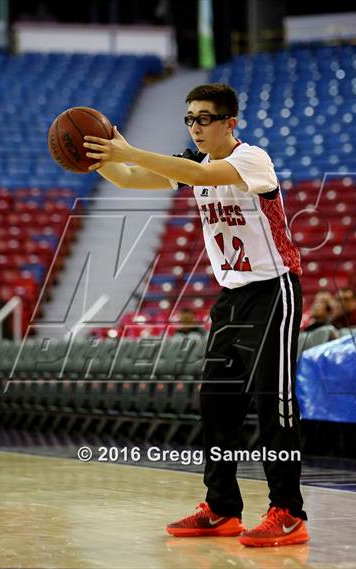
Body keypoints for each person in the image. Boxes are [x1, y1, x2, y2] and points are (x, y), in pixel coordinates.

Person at [83, 83, 309, 547]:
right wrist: (99, 158)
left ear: (230, 123)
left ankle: (288, 511)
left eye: (204, 118)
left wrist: (133, 150)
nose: (195, 127)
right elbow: (129, 179)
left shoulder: (252, 160)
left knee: (274, 406)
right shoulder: (195, 166)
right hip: (230, 299)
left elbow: (198, 175)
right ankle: (223, 508)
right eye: (190, 119)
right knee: (217, 407)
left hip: (274, 292)